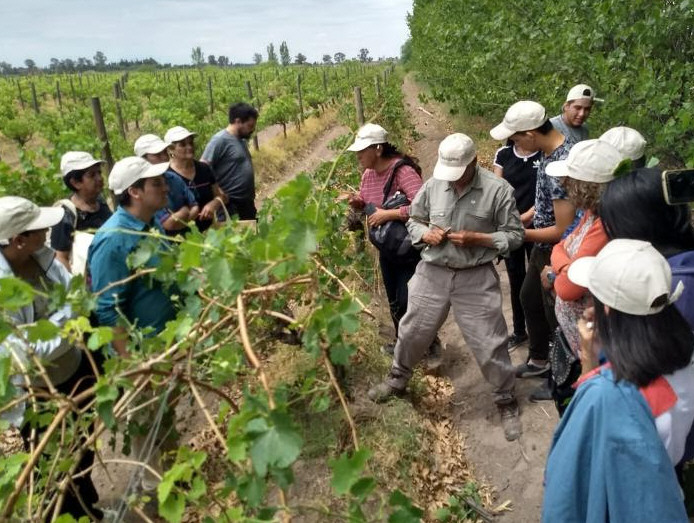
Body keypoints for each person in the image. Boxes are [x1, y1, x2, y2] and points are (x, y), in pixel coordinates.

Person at [368, 133, 524, 442]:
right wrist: (425, 234)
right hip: (433, 271)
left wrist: (479, 239)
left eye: (459, 173)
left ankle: (506, 399)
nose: (451, 181)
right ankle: (397, 379)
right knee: (412, 330)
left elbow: (515, 235)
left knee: (489, 342)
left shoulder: (498, 191)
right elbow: (414, 220)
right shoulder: (433, 185)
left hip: (475, 275)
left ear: (473, 163)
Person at [542, 239, 692, 522]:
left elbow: (570, 471)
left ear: (607, 309)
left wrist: (588, 359)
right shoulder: (684, 352)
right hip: (666, 485)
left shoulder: (606, 394)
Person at [0, 196, 102, 520]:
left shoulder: (41, 255)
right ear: (19, 240)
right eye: (40, 228)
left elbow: (75, 293)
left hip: (73, 371)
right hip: (39, 393)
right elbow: (24, 352)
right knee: (53, 462)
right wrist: (67, 322)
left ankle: (90, 508)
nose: (48, 231)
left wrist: (52, 325)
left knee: (83, 447)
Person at [88, 157, 179, 491]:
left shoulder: (152, 223)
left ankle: (176, 486)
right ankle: (156, 499)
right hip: (140, 359)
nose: (166, 187)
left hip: (161, 350)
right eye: (157, 184)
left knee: (163, 421)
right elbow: (108, 312)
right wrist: (135, 366)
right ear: (134, 192)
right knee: (146, 432)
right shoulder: (113, 240)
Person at [490, 101, 576, 396]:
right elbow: (544, 208)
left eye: (515, 138)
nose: (513, 144)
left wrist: (520, 235)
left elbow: (563, 229)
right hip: (542, 244)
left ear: (529, 134)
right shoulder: (548, 154)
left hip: (557, 249)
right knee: (529, 297)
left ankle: (561, 379)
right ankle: (540, 358)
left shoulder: (561, 165)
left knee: (557, 315)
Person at [540, 139, 623, 414]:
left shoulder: (606, 225)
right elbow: (560, 245)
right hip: (579, 339)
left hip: (595, 346)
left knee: (587, 406)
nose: (564, 184)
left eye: (570, 179)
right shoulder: (590, 214)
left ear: (585, 185)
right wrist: (565, 264)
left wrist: (556, 273)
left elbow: (567, 289)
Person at [345, 123, 440, 360]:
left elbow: (422, 207)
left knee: (410, 297)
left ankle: (425, 345)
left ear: (378, 149)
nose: (358, 156)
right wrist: (357, 202)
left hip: (409, 246)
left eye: (362, 150)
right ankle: (403, 344)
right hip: (388, 247)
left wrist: (389, 214)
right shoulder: (368, 175)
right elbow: (370, 203)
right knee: (394, 298)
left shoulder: (402, 171)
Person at [492, 140, 540, 350]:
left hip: (539, 226)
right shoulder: (503, 154)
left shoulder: (543, 155)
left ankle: (542, 331)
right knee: (516, 279)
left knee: (539, 278)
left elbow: (549, 189)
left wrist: (531, 214)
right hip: (510, 227)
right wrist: (515, 219)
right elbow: (496, 192)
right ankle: (520, 330)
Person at [51, 151, 112, 274]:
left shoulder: (100, 202)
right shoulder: (66, 214)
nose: (99, 178)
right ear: (75, 182)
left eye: (99, 172)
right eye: (92, 175)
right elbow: (61, 257)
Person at [163, 126, 228, 232]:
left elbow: (223, 196)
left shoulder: (204, 169)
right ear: (171, 149)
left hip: (209, 233)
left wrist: (214, 203)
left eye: (191, 143)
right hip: (180, 238)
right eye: (183, 144)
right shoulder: (166, 175)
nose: (189, 147)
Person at [201, 102, 259, 220]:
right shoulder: (219, 140)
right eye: (250, 126)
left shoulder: (240, 140)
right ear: (238, 121)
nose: (252, 130)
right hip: (230, 206)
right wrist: (217, 191)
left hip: (246, 203)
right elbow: (203, 167)